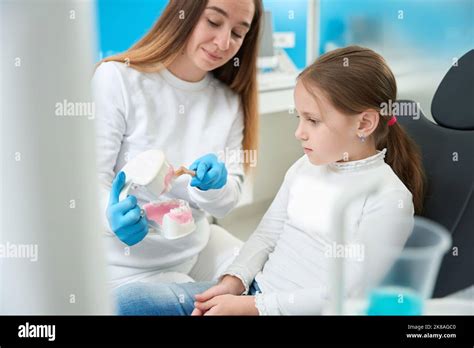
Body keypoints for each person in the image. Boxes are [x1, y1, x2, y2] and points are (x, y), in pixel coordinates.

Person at [114, 46, 426, 315]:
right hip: (253, 294)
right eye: (299, 118)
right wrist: (232, 282)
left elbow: (349, 294)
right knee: (126, 303)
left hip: (281, 310)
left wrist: (254, 308)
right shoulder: (306, 166)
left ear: (365, 122)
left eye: (313, 120)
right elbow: (267, 235)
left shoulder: (389, 199)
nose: (299, 132)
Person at [91, 0, 263, 289]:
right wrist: (110, 216)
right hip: (122, 267)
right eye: (213, 21)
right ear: (184, 14)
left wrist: (215, 187)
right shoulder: (118, 79)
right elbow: (89, 181)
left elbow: (226, 202)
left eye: (237, 33)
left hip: (193, 252)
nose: (223, 42)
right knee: (219, 302)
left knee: (271, 283)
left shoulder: (229, 103)